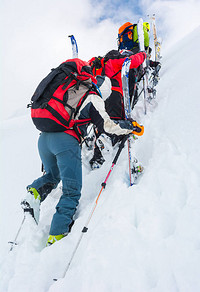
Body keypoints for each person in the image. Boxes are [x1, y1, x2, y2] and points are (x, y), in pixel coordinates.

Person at [21, 58, 144, 246]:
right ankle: (57, 237)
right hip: (64, 142)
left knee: (54, 176)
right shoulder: (93, 97)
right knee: (71, 192)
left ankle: (34, 193)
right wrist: (129, 127)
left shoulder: (74, 91)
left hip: (44, 139)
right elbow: (107, 126)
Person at [88, 49, 146, 169]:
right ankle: (112, 139)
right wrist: (143, 55)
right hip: (114, 94)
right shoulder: (113, 61)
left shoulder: (97, 66)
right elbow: (132, 62)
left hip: (99, 98)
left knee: (102, 123)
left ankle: (97, 158)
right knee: (116, 121)